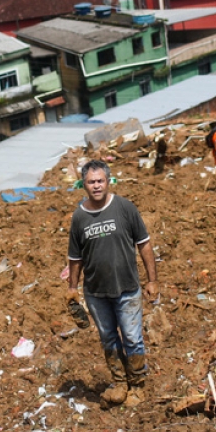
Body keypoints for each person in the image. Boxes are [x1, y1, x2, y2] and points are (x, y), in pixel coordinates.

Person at [67, 160, 158, 406]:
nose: (96, 186)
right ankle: (119, 383)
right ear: (83, 185)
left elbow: (144, 244)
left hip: (127, 287)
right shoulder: (79, 217)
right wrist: (72, 289)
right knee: (108, 338)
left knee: (132, 337)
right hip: (96, 292)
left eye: (100, 181)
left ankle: (137, 385)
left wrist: (152, 280)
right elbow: (75, 258)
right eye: (91, 182)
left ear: (108, 181)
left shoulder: (125, 208)